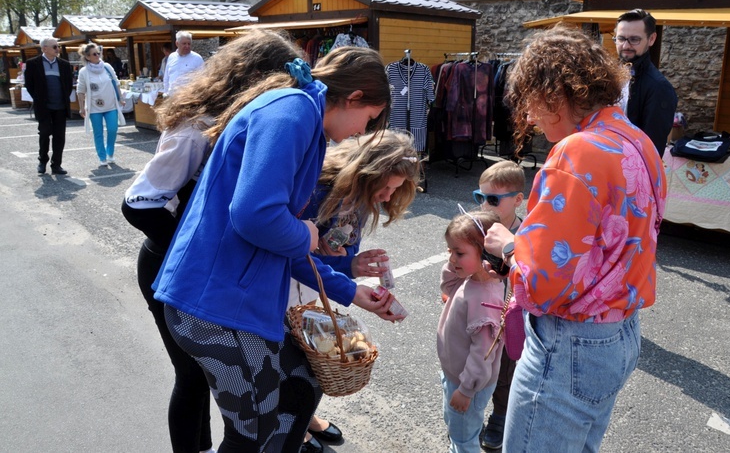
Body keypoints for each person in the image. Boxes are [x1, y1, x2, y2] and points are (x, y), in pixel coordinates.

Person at [152, 46, 401, 452]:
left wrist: (351, 290)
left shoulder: (302, 116)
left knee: (301, 386)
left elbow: (278, 245)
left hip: (231, 302)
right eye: (367, 119)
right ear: (354, 98)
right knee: (250, 434)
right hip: (217, 306)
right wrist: (305, 234)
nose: (360, 131)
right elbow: (255, 216)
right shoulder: (294, 112)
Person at [483, 25, 666, 452]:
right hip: (620, 333)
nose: (528, 116)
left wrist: (509, 245)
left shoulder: (577, 151)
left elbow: (543, 283)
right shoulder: (638, 140)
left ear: (554, 93)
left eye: (530, 102)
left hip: (570, 342)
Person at [121, 28, 305, 453]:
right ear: (254, 77)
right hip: (170, 265)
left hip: (209, 270)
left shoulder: (248, 118)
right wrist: (195, 252)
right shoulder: (194, 127)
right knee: (192, 375)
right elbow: (138, 204)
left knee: (220, 377)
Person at [290, 129, 421, 453]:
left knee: (318, 355)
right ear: (366, 173)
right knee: (297, 362)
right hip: (284, 286)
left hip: (312, 286)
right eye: (387, 186)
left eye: (397, 189)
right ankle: (294, 426)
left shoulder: (362, 200)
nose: (389, 196)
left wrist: (355, 265)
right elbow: (294, 256)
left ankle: (305, 417)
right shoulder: (318, 190)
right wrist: (351, 290)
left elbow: (332, 256)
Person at [439, 210, 505, 453]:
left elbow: (483, 353)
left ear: (485, 252)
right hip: (457, 375)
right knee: (457, 429)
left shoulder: (484, 298)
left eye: (459, 253)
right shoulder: (472, 278)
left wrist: (466, 391)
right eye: (450, 251)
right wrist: (455, 262)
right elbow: (447, 285)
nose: (452, 259)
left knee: (465, 438)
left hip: (468, 383)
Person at [471, 160, 525, 451]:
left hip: (507, 318)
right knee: (475, 363)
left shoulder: (525, 234)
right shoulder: (477, 226)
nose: (485, 205)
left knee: (504, 371)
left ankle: (501, 415)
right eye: (479, 197)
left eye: (492, 199)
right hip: (479, 312)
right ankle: (473, 408)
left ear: (518, 200)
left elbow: (527, 273)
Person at [614, 8, 678, 157]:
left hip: (630, 170)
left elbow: (652, 148)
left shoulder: (659, 87)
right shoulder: (609, 75)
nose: (626, 46)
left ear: (651, 39)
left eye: (634, 39)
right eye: (621, 38)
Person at [24, 37, 73, 175]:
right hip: (44, 107)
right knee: (45, 133)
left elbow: (68, 85)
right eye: (54, 47)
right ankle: (42, 160)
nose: (58, 49)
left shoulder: (64, 64)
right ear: (44, 48)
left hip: (60, 107)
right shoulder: (33, 63)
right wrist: (39, 99)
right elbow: (29, 85)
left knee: (59, 136)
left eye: (58, 46)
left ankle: (56, 165)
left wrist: (62, 98)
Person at [76, 43, 126, 167]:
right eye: (94, 54)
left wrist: (120, 98)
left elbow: (116, 82)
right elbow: (80, 91)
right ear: (87, 57)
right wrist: (82, 107)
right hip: (94, 108)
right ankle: (102, 156)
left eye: (98, 53)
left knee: (113, 129)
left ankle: (110, 153)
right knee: (98, 132)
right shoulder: (84, 72)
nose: (98, 55)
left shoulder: (107, 67)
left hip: (111, 105)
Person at [163, 31, 204, 95]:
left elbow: (203, 79)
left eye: (189, 44)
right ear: (177, 43)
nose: (187, 46)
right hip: (172, 98)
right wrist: (166, 93)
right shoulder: (171, 57)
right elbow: (166, 78)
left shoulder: (197, 58)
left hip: (189, 98)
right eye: (184, 43)